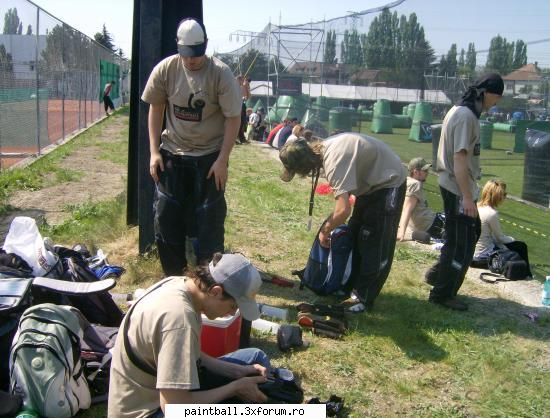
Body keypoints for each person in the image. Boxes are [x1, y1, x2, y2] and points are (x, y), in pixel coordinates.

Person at [108, 253, 270, 418]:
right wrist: (234, 388)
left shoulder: (180, 284)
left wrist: (236, 372)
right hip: (148, 410)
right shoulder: (179, 320)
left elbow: (189, 354)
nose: (233, 313)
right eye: (233, 306)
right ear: (215, 291)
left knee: (256, 358)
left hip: (159, 389)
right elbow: (175, 409)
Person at [141, 18, 242, 276]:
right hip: (173, 152)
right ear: (179, 48)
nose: (191, 61)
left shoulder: (221, 74)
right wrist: (154, 152)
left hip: (209, 156)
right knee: (165, 217)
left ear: (204, 47)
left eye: (196, 55)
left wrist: (222, 160)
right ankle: (173, 277)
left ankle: (207, 279)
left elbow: (233, 117)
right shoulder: (166, 69)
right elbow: (155, 107)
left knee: (209, 219)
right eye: (186, 55)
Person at [279, 133, 406, 313]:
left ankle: (362, 298)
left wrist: (325, 230)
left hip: (389, 182)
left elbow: (343, 210)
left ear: (304, 166)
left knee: (375, 243)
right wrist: (330, 226)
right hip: (370, 186)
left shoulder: (333, 162)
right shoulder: (324, 149)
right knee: (357, 235)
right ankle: (348, 285)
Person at [425, 73, 504, 311]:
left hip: (456, 185)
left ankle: (438, 275)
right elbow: (459, 159)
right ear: (487, 93)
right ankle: (442, 294)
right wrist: (467, 198)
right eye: (496, 98)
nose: (496, 104)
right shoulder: (466, 116)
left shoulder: (462, 112)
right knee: (460, 243)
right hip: (457, 187)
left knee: (467, 236)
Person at [472, 179, 532, 276]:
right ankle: (527, 274)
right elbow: (500, 238)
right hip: (482, 258)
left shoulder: (477, 206)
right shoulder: (491, 213)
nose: (505, 197)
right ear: (497, 196)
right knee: (521, 246)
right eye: (504, 194)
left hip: (471, 254)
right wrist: (512, 239)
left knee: (506, 245)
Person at [397, 157, 445, 242]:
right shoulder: (415, 184)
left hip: (424, 225)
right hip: (432, 224)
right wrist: (401, 232)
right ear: (416, 172)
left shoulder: (406, 181)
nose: (427, 173)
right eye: (425, 171)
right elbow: (407, 209)